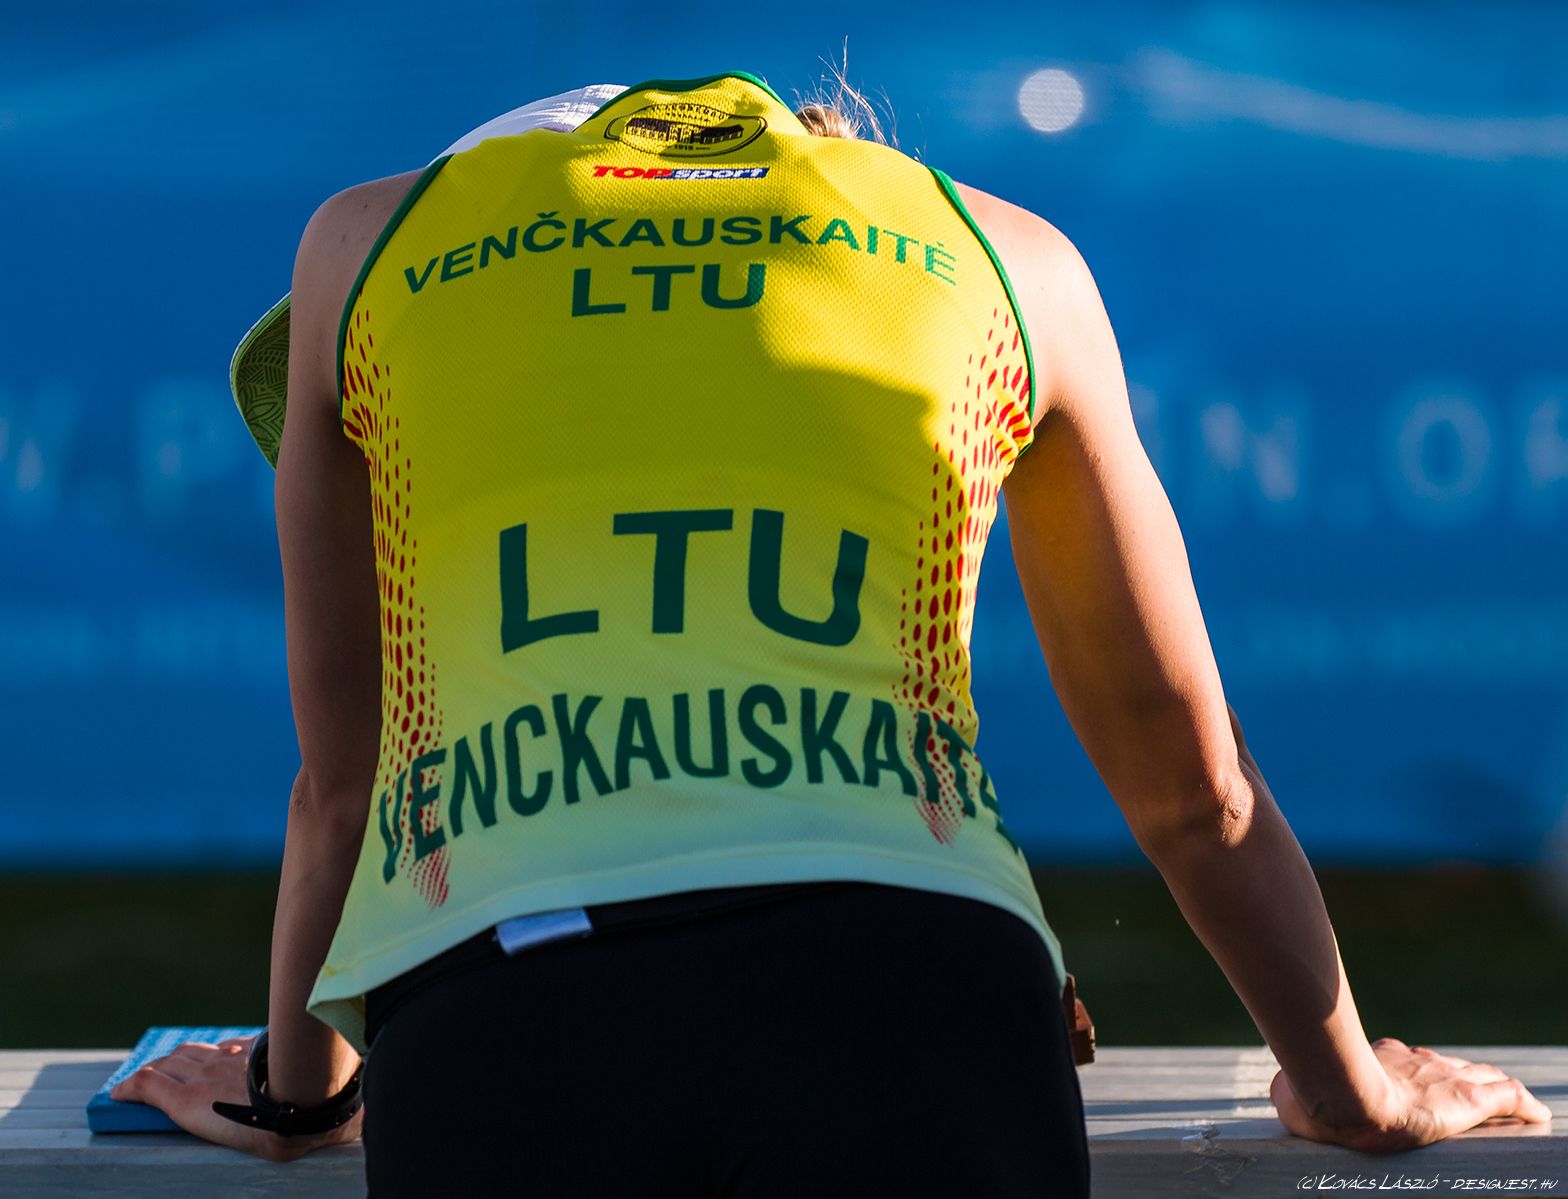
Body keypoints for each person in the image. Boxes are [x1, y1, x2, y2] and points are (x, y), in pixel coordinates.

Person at [109, 71, 1550, 1195]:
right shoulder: (1012, 260)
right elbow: (1197, 792)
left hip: (510, 1020)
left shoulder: (367, 252)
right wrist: (1351, 1088)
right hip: (920, 994)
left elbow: (347, 793)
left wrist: (298, 1096)